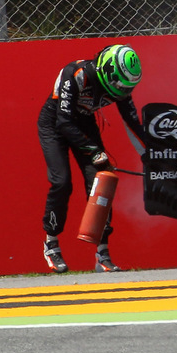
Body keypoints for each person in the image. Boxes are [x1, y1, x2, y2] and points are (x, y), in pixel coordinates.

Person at [37, 43, 145, 273]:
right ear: (108, 70)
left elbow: (133, 122)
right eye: (120, 86)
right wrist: (94, 150)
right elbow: (63, 122)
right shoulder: (75, 73)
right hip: (55, 124)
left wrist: (152, 152)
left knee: (101, 180)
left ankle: (102, 253)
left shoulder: (120, 87)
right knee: (62, 181)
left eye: (128, 88)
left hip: (85, 123)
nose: (122, 92)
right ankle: (51, 243)